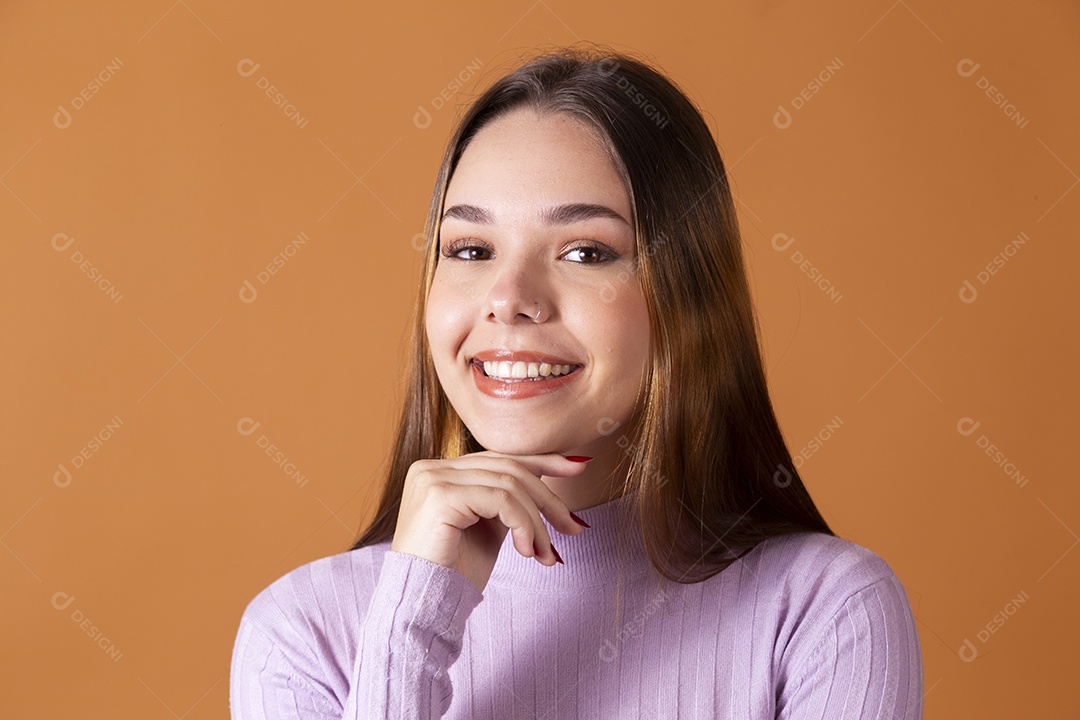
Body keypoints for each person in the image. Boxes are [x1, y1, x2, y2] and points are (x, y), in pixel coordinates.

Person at [229, 45, 923, 719]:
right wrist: (412, 622)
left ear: (688, 295)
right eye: (471, 249)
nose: (509, 297)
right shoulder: (302, 636)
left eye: (586, 251)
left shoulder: (825, 614)